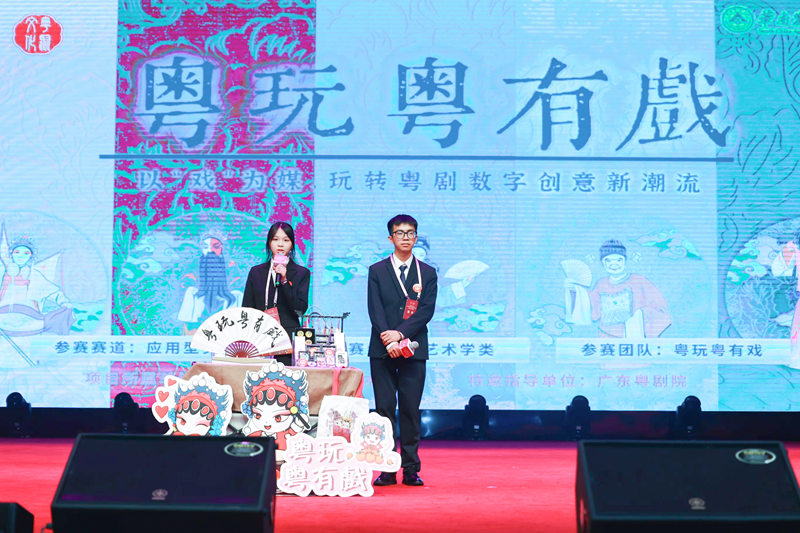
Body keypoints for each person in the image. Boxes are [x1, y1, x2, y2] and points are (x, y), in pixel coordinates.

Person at [368, 214, 437, 487]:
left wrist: (400, 335)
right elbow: (375, 309)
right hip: (382, 349)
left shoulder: (427, 273)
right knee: (384, 409)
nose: (405, 237)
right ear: (391, 238)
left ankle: (410, 468)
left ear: (416, 238)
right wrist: (389, 339)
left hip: (413, 349)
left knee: (410, 408)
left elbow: (426, 311)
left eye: (410, 233)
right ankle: (387, 468)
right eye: (400, 233)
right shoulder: (377, 270)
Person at [242, 222, 310, 365]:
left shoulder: (301, 273)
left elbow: (300, 309)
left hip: (286, 339)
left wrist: (284, 280)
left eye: (286, 240)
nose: (280, 244)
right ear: (269, 243)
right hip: (259, 336)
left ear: (292, 244)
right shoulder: (256, 272)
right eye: (275, 239)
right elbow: (247, 308)